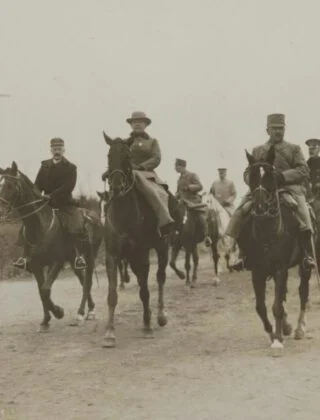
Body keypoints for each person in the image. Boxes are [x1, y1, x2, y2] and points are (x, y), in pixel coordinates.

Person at [226, 113, 315, 269]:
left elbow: (303, 170)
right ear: (267, 130)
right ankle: (240, 254)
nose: (278, 132)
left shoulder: (294, 149)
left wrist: (282, 176)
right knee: (240, 212)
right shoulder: (258, 150)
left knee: (303, 213)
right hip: (262, 189)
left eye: (281, 128)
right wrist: (253, 181)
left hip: (289, 188)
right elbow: (247, 173)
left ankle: (307, 255)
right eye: (274, 128)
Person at [13, 138, 87, 270]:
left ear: (63, 150)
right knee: (28, 221)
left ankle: (78, 257)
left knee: (75, 225)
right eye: (54, 149)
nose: (56, 151)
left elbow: (68, 187)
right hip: (45, 203)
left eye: (59, 149)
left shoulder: (71, 167)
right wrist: (36, 196)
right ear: (51, 150)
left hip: (64, 203)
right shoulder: (44, 166)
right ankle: (25, 257)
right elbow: (37, 184)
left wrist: (51, 195)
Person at [102, 111, 174, 237]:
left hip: (146, 174)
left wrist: (141, 166)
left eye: (140, 122)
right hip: (125, 174)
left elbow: (156, 158)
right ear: (131, 125)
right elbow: (117, 160)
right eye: (134, 122)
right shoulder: (122, 142)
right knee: (111, 193)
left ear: (146, 125)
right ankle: (107, 226)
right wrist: (109, 171)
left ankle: (165, 221)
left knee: (156, 193)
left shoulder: (152, 142)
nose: (137, 124)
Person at [175, 158, 212, 246]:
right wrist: (176, 195)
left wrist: (189, 187)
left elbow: (200, 186)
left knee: (201, 218)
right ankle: (175, 238)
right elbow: (178, 191)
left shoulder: (192, 175)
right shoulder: (179, 178)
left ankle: (207, 237)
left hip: (193, 201)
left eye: (176, 167)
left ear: (182, 167)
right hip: (182, 202)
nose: (175, 169)